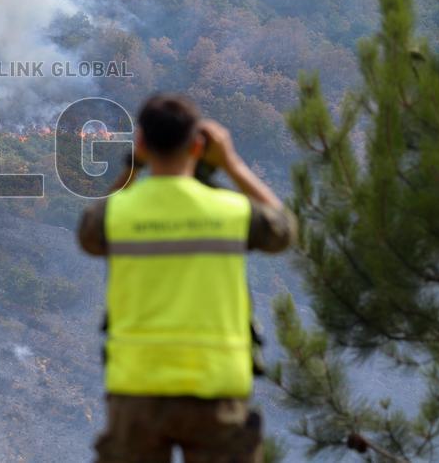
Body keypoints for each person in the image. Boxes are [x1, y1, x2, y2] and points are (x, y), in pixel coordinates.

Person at [78, 94, 296, 463]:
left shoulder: (118, 214)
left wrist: (133, 166)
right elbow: (283, 229)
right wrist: (231, 163)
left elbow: (89, 231)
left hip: (137, 387)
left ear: (142, 143)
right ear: (197, 145)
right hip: (216, 386)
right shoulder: (230, 210)